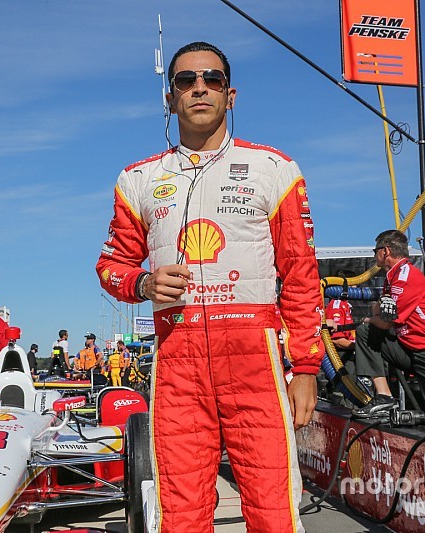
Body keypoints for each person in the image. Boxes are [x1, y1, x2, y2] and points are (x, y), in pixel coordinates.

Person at [96, 41, 324, 532]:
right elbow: (111, 265)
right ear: (170, 97)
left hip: (255, 357)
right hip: (178, 359)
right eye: (185, 81)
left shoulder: (274, 168)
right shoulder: (137, 178)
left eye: (212, 79)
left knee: (273, 504)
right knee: (180, 511)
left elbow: (301, 273)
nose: (199, 88)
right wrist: (141, 282)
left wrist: (305, 366)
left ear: (230, 95)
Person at [352, 230, 425, 417]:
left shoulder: (405, 277)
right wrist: (373, 317)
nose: (374, 255)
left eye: (375, 250)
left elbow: (386, 320)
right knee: (366, 332)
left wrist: (369, 318)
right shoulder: (393, 276)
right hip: (414, 351)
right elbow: (380, 311)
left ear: (385, 251)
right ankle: (384, 397)